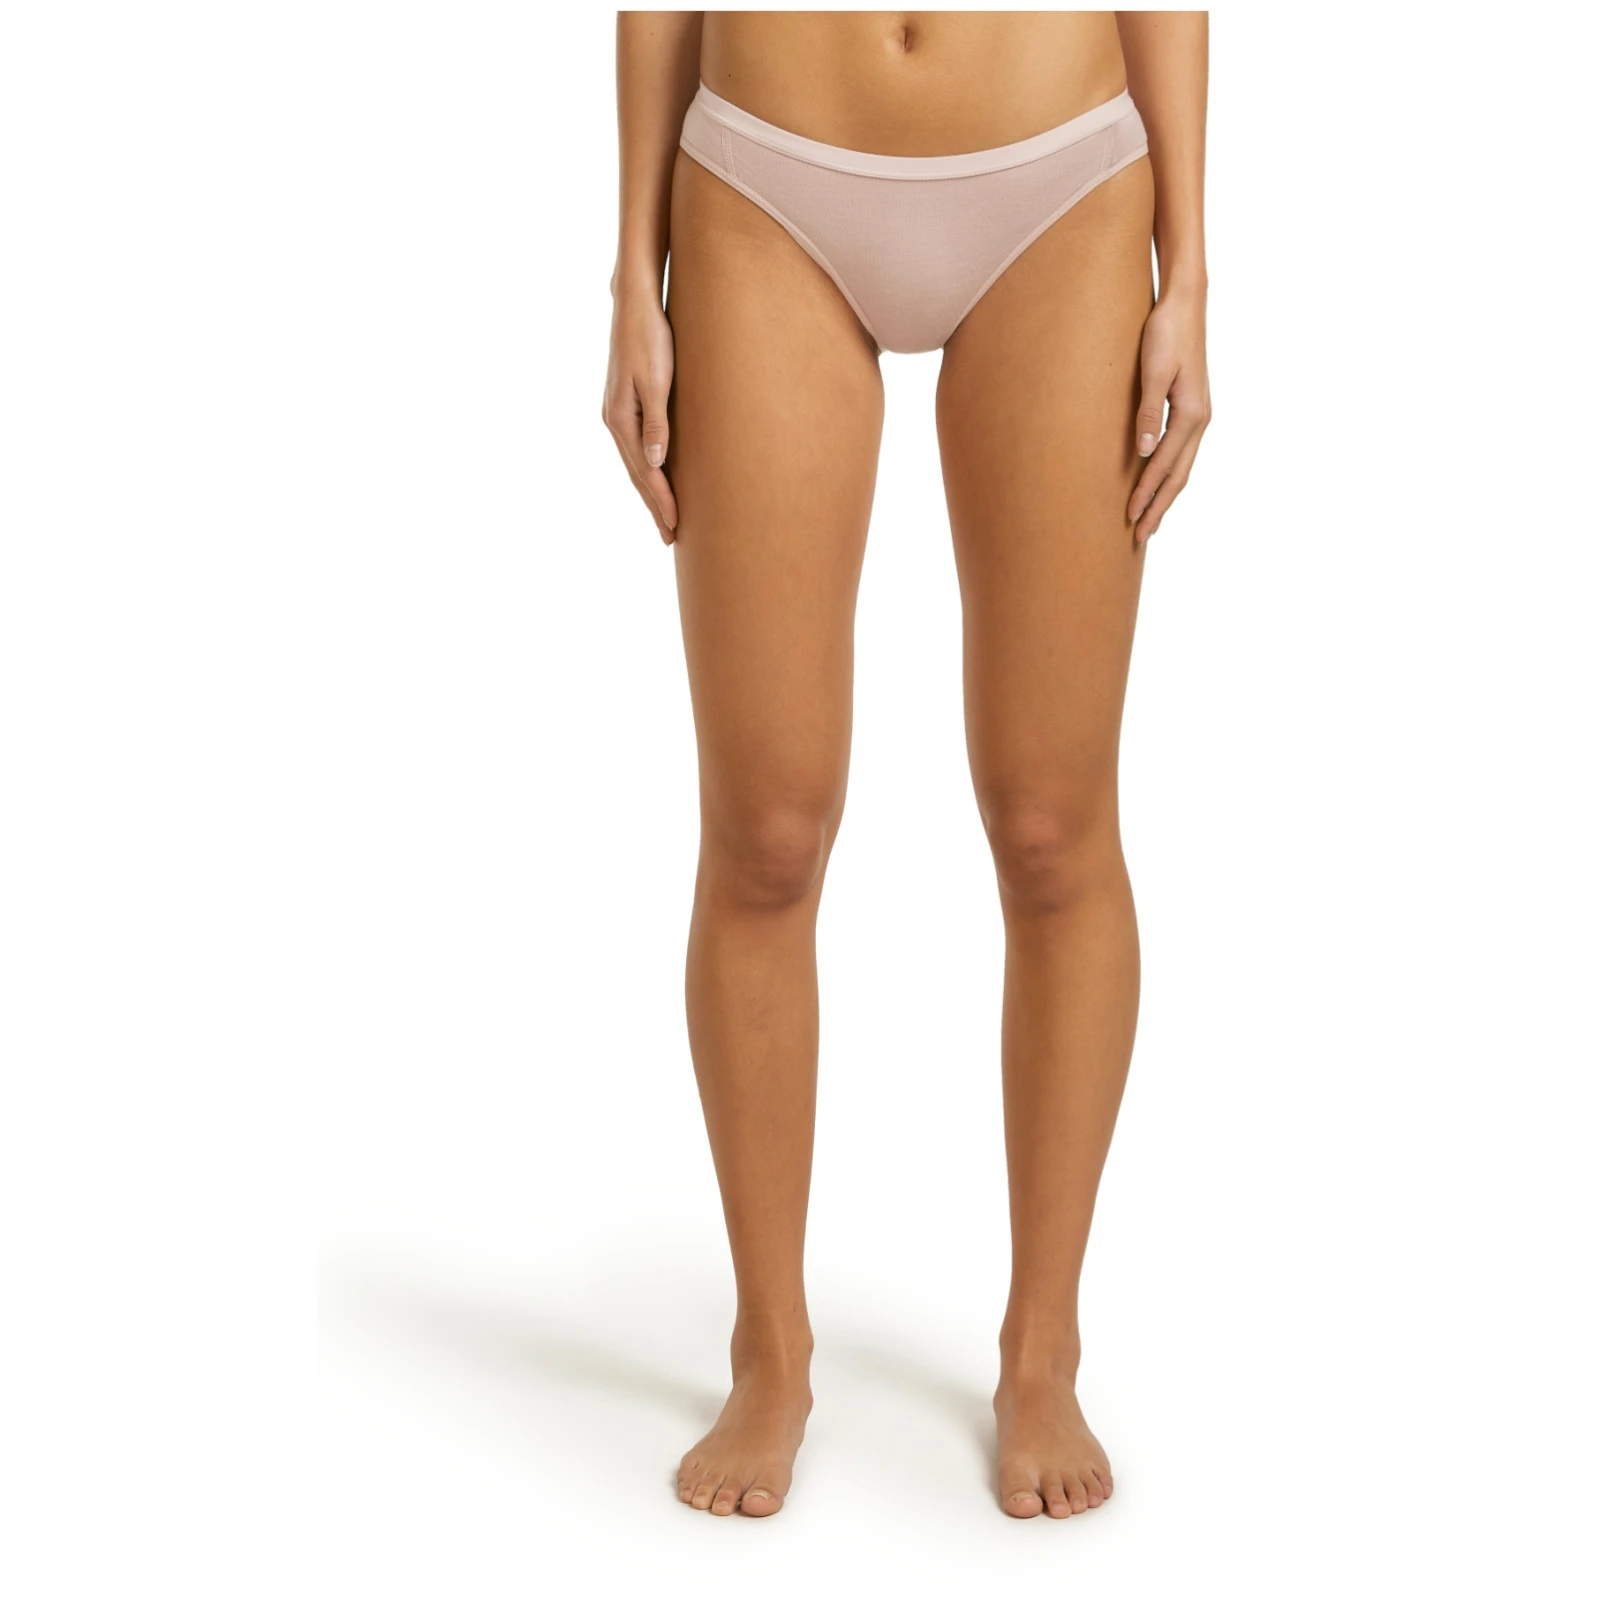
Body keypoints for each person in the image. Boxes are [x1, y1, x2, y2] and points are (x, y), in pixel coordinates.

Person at [602, 10, 1210, 1520]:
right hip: (764, 173)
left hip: (1059, 174)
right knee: (767, 830)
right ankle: (770, 1348)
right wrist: (629, 265)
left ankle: (1043, 1348)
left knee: (1052, 823)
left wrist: (1192, 267)